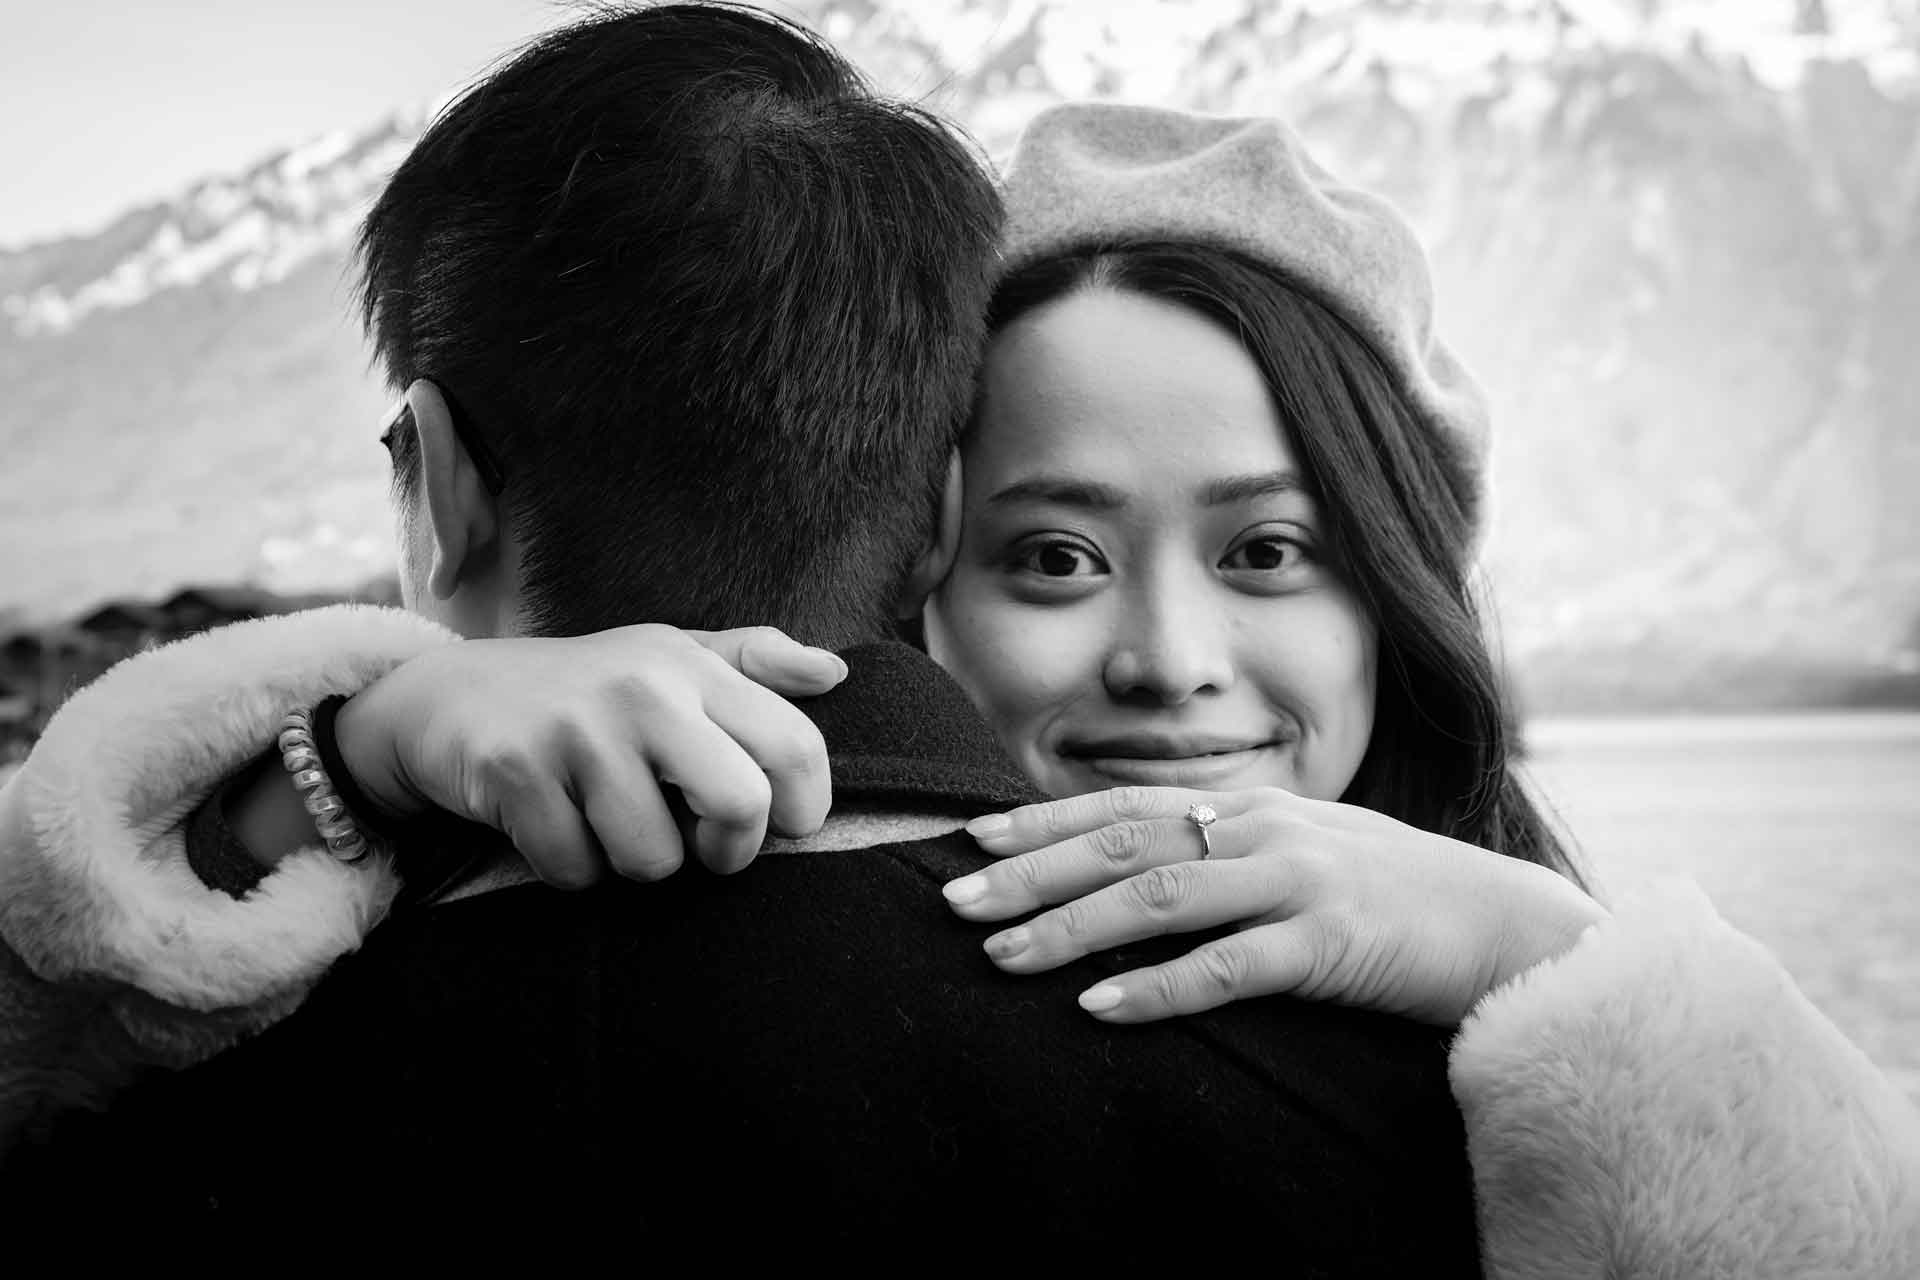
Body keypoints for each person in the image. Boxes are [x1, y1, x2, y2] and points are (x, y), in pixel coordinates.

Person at [4, 21, 1916, 1276]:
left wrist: (1560, 969)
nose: (1171, 662)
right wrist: (344, 746)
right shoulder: (1366, 1152)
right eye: (1059, 553)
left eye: (1270, 548)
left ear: (1403, 585)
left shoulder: (1541, 1097)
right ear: (919, 544)